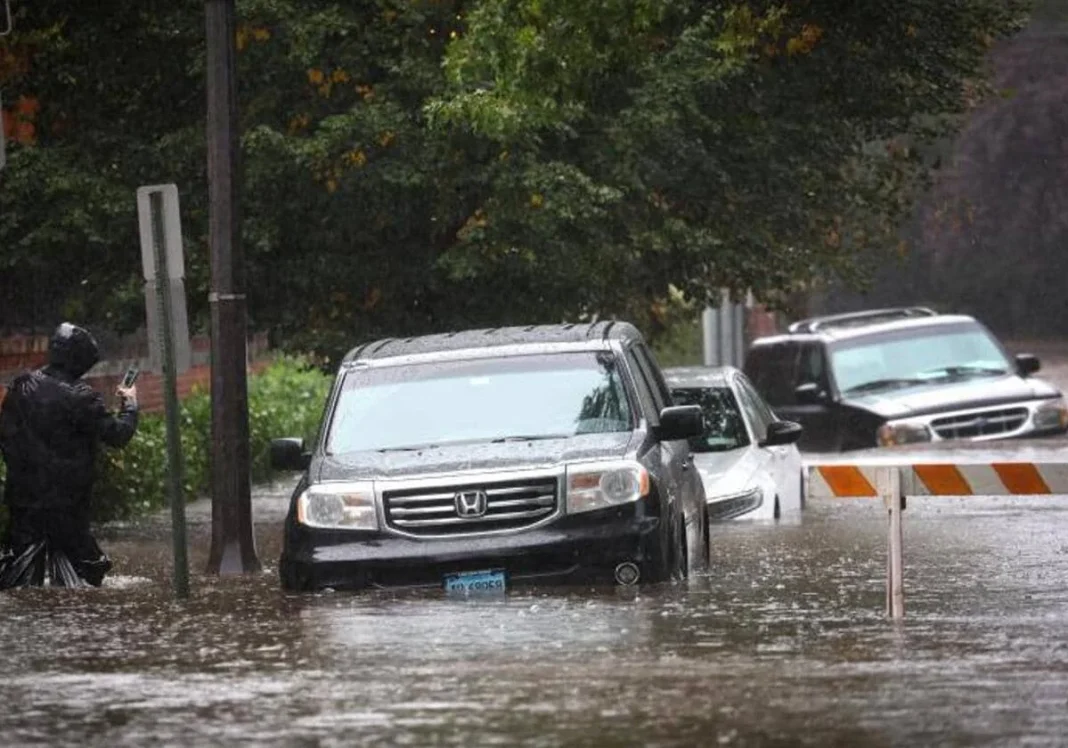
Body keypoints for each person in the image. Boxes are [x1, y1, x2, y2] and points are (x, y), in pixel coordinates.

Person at [0, 323, 139, 587]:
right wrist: (130, 403)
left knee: (17, 576)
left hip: (23, 501)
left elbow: (7, 437)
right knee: (87, 575)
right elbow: (118, 434)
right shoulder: (81, 397)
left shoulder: (20, 386)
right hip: (66, 507)